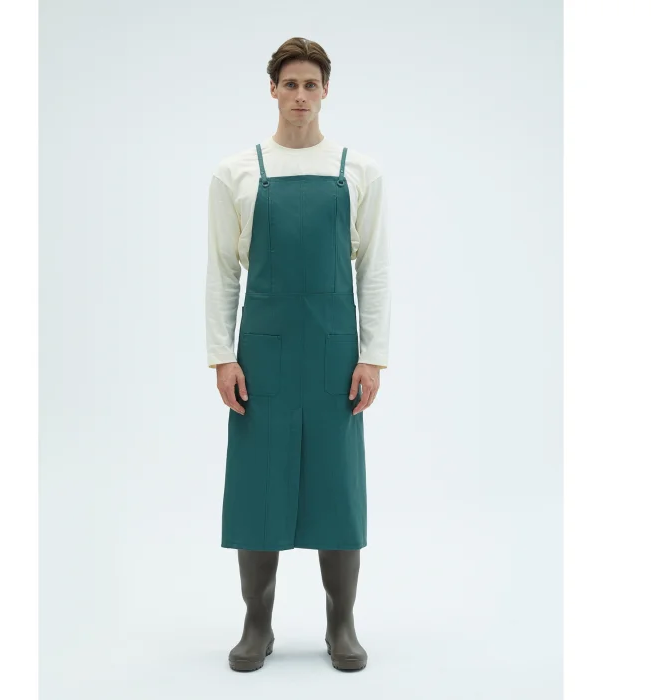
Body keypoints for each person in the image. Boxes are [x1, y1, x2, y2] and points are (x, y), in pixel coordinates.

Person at [205, 36, 391, 672]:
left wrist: (373, 356)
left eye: (312, 84)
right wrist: (221, 355)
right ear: (273, 90)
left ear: (326, 90)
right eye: (291, 84)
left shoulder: (359, 171)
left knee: (337, 485)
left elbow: (374, 271)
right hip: (261, 354)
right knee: (259, 484)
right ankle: (257, 625)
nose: (301, 95)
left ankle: (342, 624)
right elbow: (222, 271)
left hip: (337, 353)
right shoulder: (237, 171)